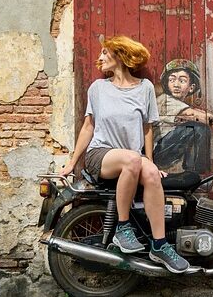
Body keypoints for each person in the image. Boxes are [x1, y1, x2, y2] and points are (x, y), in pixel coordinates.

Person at [60, 35, 189, 274]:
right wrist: (72, 162)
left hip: (131, 157)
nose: (99, 58)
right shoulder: (98, 88)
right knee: (132, 158)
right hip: (101, 154)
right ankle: (122, 227)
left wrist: (149, 160)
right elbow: (89, 126)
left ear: (120, 56)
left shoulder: (145, 88)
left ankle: (159, 245)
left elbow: (148, 127)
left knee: (150, 173)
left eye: (104, 53)